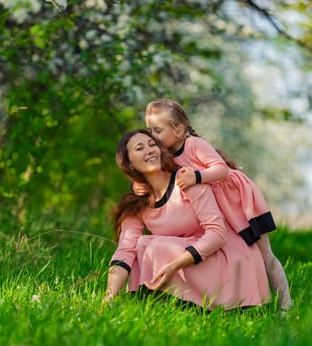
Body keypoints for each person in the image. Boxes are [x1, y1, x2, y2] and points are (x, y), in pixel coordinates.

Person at [140, 98, 292, 310]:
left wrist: (197, 177)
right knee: (234, 249)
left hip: (237, 200)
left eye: (157, 130)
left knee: (264, 253)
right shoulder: (165, 154)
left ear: (178, 130)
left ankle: (286, 305)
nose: (152, 136)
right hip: (217, 205)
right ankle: (234, 295)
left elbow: (220, 170)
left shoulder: (194, 145)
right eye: (149, 130)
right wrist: (139, 187)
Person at [104, 129, 271, 310]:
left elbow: (217, 234)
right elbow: (125, 250)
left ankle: (203, 305)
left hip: (223, 261)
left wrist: (175, 265)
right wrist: (110, 295)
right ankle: (153, 302)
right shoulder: (135, 203)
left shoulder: (187, 181)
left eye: (153, 145)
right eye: (140, 148)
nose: (150, 150)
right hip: (187, 264)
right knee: (141, 245)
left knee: (151, 245)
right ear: (129, 163)